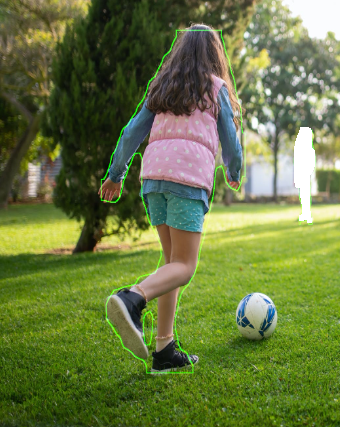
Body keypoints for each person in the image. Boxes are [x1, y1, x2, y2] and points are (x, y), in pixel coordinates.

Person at [98, 24, 242, 373]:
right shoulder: (216, 87)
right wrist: (234, 170)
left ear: (179, 51)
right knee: (185, 267)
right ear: (214, 54)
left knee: (170, 261)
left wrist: (116, 174)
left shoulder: (162, 88)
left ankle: (164, 350)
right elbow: (231, 140)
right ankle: (132, 298)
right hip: (187, 180)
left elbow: (132, 131)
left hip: (153, 180)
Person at [293, 127, 315, 223]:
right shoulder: (300, 148)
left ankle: (307, 214)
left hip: (305, 175)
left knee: (305, 195)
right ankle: (304, 213)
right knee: (303, 195)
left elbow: (311, 163)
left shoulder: (309, 149)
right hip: (301, 175)